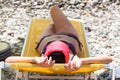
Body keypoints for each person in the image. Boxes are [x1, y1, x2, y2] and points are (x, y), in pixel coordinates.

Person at [5, 6, 113, 71]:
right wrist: (83, 61)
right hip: (68, 35)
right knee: (54, 10)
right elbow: (109, 59)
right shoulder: (73, 59)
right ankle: (59, 22)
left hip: (47, 38)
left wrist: (33, 59)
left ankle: (56, 22)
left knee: (54, 15)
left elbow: (8, 60)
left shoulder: (42, 59)